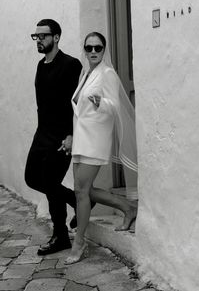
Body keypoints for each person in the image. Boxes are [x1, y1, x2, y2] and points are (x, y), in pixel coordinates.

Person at [65, 32, 138, 265]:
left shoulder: (107, 74)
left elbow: (115, 105)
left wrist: (101, 102)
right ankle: (127, 207)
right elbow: (78, 107)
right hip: (81, 138)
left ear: (104, 50)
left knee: (81, 190)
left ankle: (79, 242)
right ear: (84, 49)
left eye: (98, 48)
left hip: (96, 138)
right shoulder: (86, 73)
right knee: (82, 189)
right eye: (89, 48)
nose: (93, 51)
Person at [25, 19, 83, 255]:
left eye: (43, 36)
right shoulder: (41, 65)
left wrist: (71, 135)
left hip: (61, 137)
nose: (38, 40)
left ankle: (60, 236)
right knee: (32, 178)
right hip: (42, 134)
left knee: (50, 184)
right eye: (35, 36)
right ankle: (77, 201)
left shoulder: (71, 65)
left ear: (56, 37)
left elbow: (77, 103)